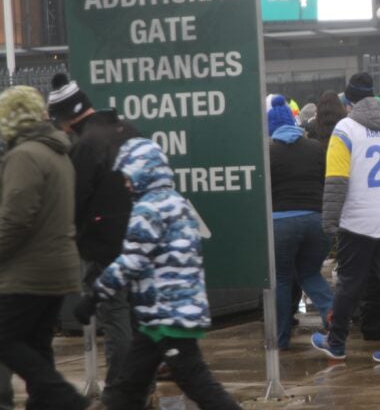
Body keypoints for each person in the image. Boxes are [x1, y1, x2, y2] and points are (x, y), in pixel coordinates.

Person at [73, 138, 241, 410]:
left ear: (143, 171)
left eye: (128, 176)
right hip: (162, 315)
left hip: (166, 314)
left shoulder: (148, 209)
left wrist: (95, 295)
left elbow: (132, 260)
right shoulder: (176, 202)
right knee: (126, 387)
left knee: (197, 382)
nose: (126, 184)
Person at [311, 72, 380, 365]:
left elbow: (336, 180)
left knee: (349, 284)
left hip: (358, 220)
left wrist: (330, 222)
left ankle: (336, 343)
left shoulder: (344, 130)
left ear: (349, 101)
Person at [0, 86, 93, 410]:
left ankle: (68, 401)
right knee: (38, 345)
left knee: (6, 339)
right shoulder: (57, 152)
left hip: (29, 271)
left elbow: (15, 220)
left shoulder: (24, 156)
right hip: (57, 268)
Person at [46, 74, 141, 388]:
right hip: (142, 239)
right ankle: (142, 385)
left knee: (116, 320)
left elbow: (76, 200)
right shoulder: (128, 131)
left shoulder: (86, 145)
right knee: (139, 318)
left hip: (104, 248)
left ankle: (120, 392)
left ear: (67, 119)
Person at [267, 95, 333, 350]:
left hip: (281, 223)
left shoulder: (268, 152)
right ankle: (333, 318)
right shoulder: (317, 148)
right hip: (317, 221)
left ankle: (281, 339)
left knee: (282, 279)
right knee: (309, 272)